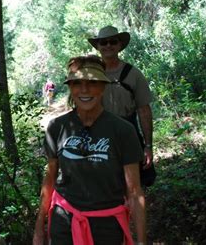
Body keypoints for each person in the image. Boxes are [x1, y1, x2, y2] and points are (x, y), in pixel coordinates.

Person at [33, 55, 146, 245]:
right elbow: (50, 179)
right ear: (70, 87)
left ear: (103, 86)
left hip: (108, 226)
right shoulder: (57, 127)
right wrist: (38, 230)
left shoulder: (122, 130)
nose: (84, 90)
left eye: (92, 82)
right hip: (64, 223)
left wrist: (141, 241)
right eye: (77, 83)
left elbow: (134, 191)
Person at [88, 26, 154, 184]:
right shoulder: (90, 75)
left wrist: (148, 146)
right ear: (98, 46)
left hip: (128, 135)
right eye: (103, 42)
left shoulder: (134, 74)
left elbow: (144, 111)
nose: (108, 45)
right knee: (105, 184)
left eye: (113, 41)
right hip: (99, 138)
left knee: (134, 183)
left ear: (119, 45)